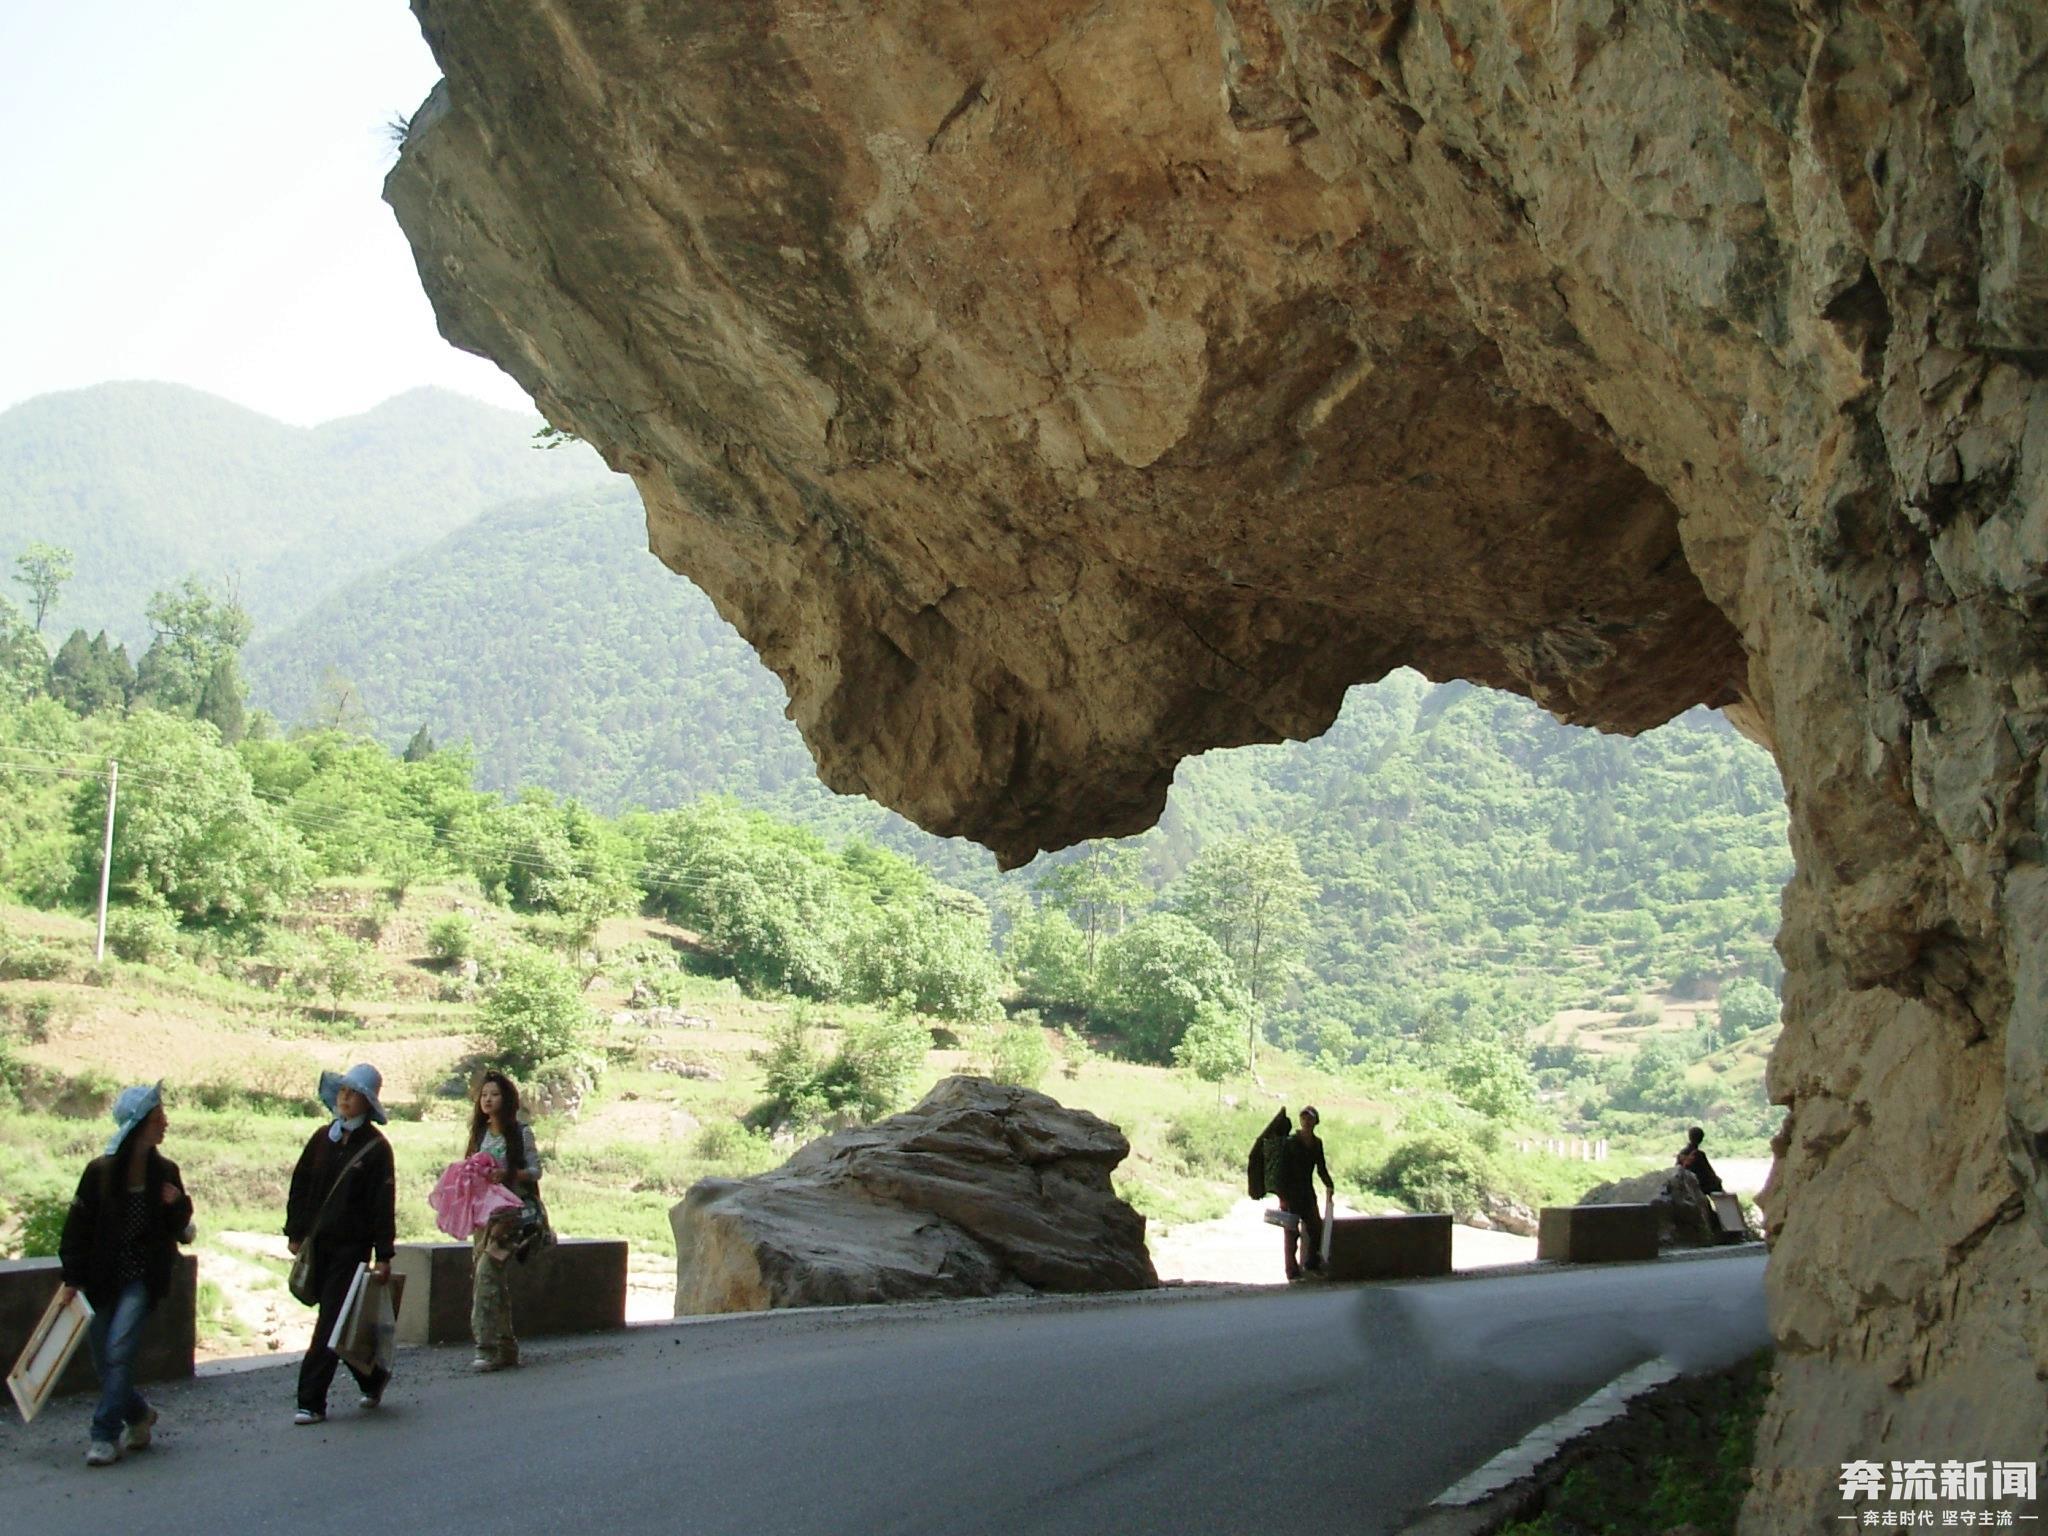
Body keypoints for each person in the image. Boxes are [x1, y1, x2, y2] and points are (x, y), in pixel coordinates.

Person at [57, 1082, 194, 1467]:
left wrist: (178, 1203)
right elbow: (77, 1229)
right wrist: (72, 1277)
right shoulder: (99, 1173)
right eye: (157, 1118)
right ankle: (138, 1414)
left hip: (142, 1277)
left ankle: (103, 1435)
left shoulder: (165, 1171)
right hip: (103, 1277)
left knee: (119, 1349)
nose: (164, 1123)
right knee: (105, 1359)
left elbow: (178, 1224)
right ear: (139, 1126)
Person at [284, 1063, 396, 1425]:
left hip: (352, 1249)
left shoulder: (377, 1149)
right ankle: (372, 1376)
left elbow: (383, 1204)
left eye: (354, 1092)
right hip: (318, 1246)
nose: (345, 1097)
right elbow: (300, 1187)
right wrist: (295, 1232)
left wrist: (384, 1255)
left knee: (330, 1320)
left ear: (368, 1102)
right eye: (343, 1091)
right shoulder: (321, 1138)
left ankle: (310, 1401)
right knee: (339, 1322)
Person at [465, 1070, 543, 1372]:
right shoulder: (479, 1133)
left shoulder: (521, 1133)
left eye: (494, 1094)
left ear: (506, 1099)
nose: (488, 1100)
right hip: (484, 1218)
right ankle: (507, 1347)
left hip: (510, 1218)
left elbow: (535, 1172)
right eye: (484, 1095)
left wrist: (507, 1174)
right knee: (493, 1281)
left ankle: (485, 1347)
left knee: (487, 1275)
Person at [1275, 1105, 1335, 1280]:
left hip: (1307, 1193)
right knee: (1291, 1234)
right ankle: (1292, 1272)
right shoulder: (1291, 1142)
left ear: (1316, 1121)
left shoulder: (1317, 1143)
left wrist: (1329, 1186)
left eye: (1310, 1118)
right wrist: (1282, 1195)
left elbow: (1321, 1168)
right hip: (1290, 1194)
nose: (1306, 1121)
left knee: (1316, 1229)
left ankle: (1311, 1264)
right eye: (1304, 1118)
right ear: (1300, 1120)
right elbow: (1282, 1169)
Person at [1677, 1125, 1724, 1196]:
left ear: (1689, 1137)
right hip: (1697, 1185)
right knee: (1716, 1183)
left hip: (1685, 1184)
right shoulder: (1699, 1154)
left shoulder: (1681, 1153)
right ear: (1701, 1139)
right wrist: (1718, 1181)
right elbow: (1709, 1173)